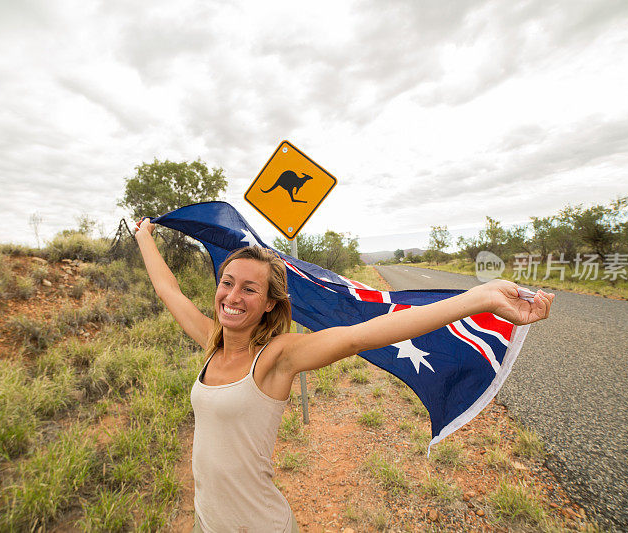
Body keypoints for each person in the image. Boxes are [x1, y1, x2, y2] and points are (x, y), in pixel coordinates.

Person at [134, 217, 554, 533]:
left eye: (250, 288)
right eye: (228, 282)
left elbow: (359, 336)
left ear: (268, 304)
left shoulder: (276, 358)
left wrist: (477, 298)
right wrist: (144, 237)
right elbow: (168, 290)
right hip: (208, 523)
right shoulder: (212, 342)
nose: (233, 296)